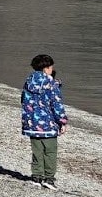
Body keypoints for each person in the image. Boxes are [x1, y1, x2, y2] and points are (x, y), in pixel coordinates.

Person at [21, 53, 68, 188]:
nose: (52, 69)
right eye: (51, 67)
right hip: (48, 124)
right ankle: (49, 179)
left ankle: (36, 177)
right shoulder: (51, 84)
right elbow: (57, 104)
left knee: (37, 151)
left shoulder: (28, 81)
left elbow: (23, 101)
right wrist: (63, 122)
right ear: (46, 68)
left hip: (31, 123)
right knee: (50, 152)